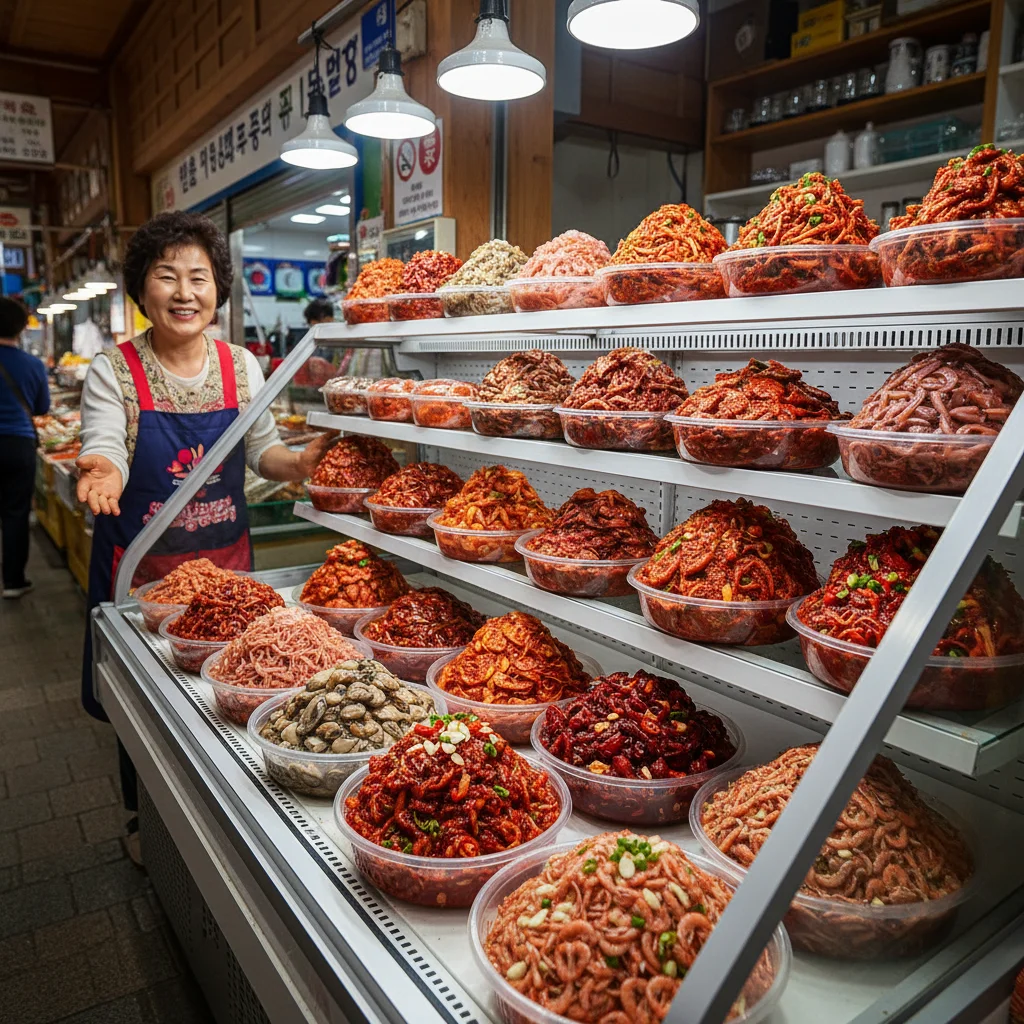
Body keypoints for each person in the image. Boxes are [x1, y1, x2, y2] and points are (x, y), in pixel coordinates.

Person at [76, 212, 336, 852]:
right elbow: (104, 445)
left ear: (218, 290)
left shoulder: (242, 366)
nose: (184, 292)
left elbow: (264, 453)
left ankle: (227, 833)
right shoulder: (115, 372)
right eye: (167, 277)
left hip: (228, 578)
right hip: (143, 582)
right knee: (146, 711)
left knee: (227, 702)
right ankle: (144, 819)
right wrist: (103, 470)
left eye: (199, 277)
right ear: (142, 290)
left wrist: (298, 466)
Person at [0, 297, 49, 599]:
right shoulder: (32, 364)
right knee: (16, 512)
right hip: (19, 444)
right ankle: (13, 581)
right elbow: (42, 407)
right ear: (21, 327)